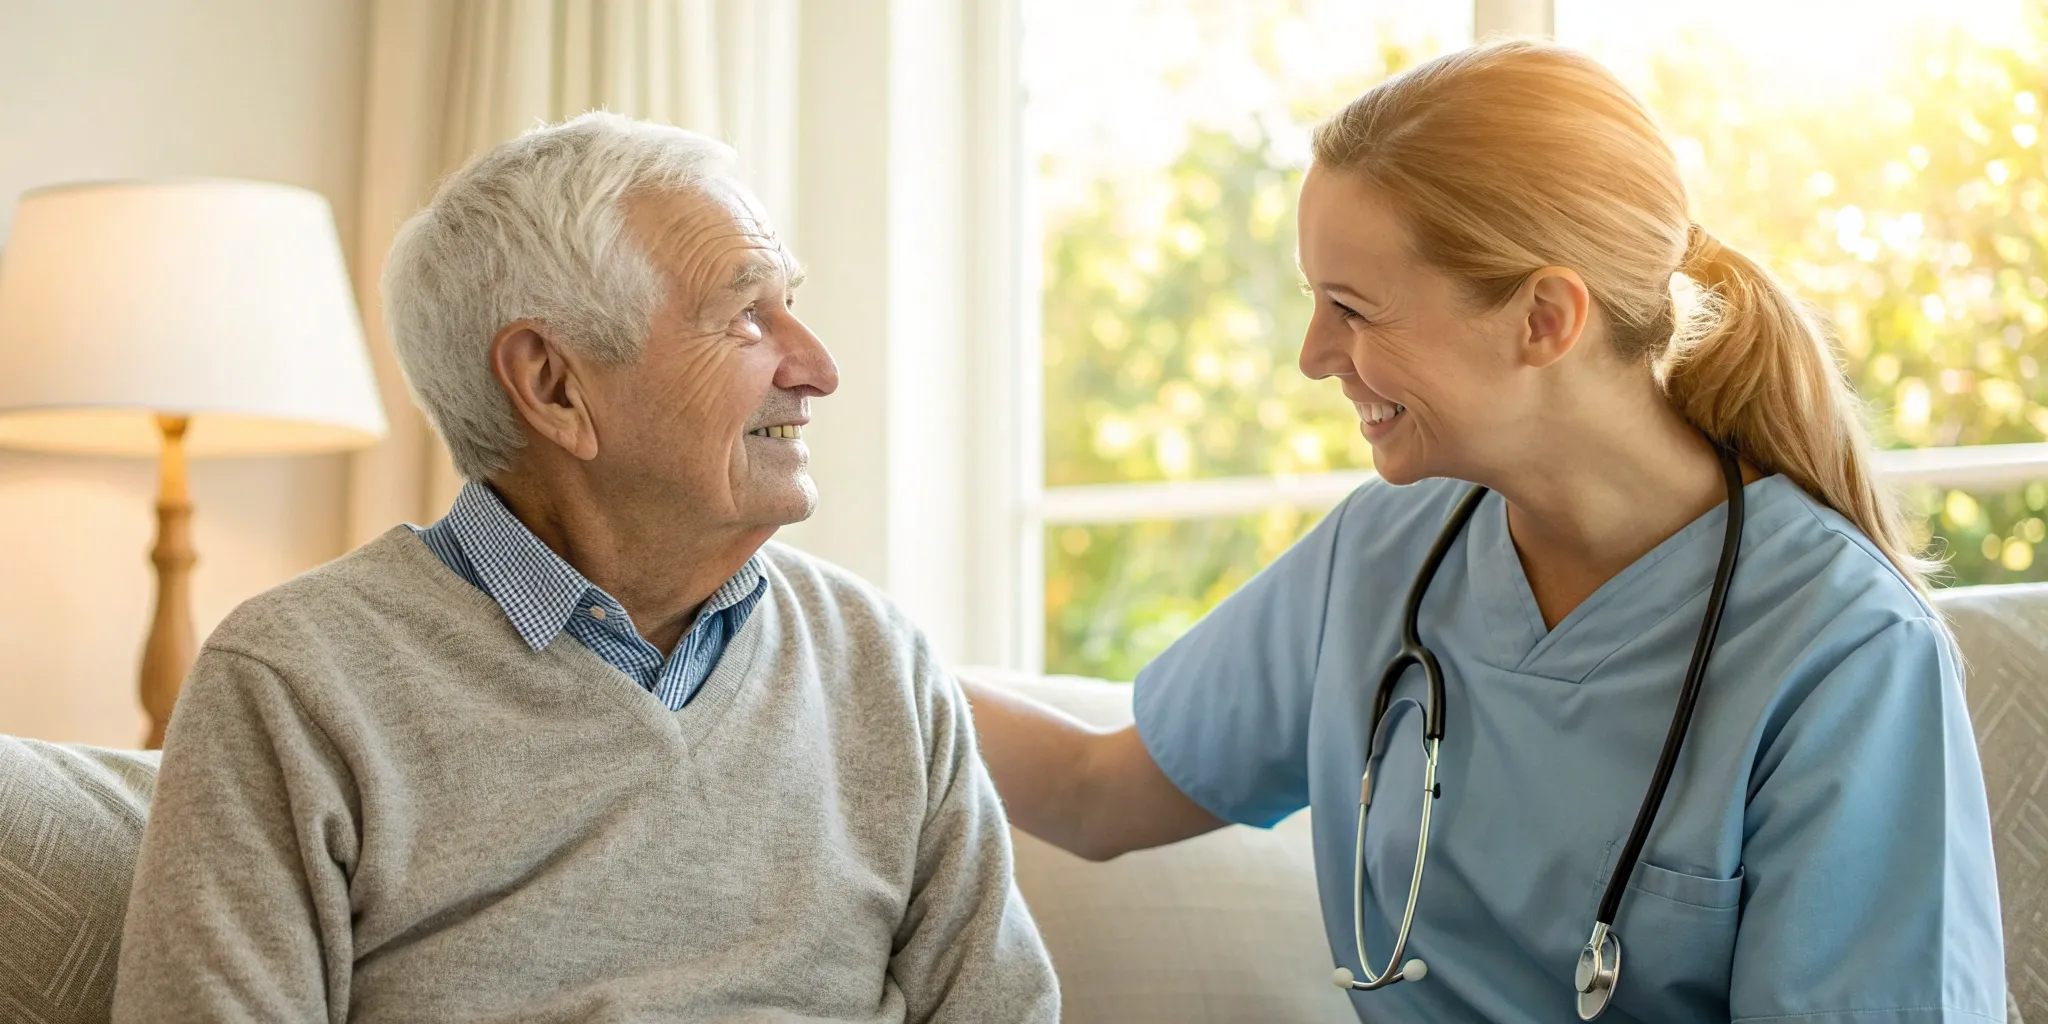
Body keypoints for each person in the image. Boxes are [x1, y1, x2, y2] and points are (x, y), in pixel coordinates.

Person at [966, 40, 2006, 1024]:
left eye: (1352, 307)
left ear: (1544, 319)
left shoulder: (1842, 650)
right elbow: (1091, 793)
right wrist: (820, 633)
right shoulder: (1384, 553)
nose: (1313, 353)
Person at [113, 113, 1059, 1024]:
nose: (816, 367)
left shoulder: (878, 661)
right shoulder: (295, 681)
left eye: (792, 307)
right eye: (743, 314)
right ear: (554, 386)